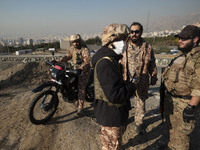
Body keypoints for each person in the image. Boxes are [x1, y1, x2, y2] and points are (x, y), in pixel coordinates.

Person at [92, 24, 136, 150]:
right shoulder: (105, 63)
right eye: (121, 40)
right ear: (110, 42)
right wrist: (132, 86)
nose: (125, 43)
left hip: (114, 113)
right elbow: (114, 95)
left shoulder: (112, 59)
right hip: (111, 116)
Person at [162, 25, 200, 150]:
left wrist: (191, 107)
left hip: (185, 103)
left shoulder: (198, 58)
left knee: (182, 138)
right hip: (171, 101)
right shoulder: (180, 54)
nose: (180, 41)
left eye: (184, 39)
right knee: (172, 131)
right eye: (179, 38)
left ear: (195, 39)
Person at [121, 22, 157, 135]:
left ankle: (139, 123)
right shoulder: (123, 45)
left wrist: (154, 76)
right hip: (126, 79)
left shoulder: (147, 47)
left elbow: (152, 63)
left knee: (140, 102)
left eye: (137, 31)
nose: (134, 34)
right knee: (123, 101)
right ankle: (123, 120)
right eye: (132, 31)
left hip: (142, 80)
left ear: (141, 32)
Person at [59, 34, 91, 116]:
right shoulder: (72, 48)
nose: (75, 43)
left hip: (83, 71)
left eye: (77, 41)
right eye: (74, 42)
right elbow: (68, 56)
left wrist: (81, 68)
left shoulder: (84, 49)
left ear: (80, 41)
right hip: (73, 69)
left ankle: (80, 108)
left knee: (81, 88)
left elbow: (87, 61)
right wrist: (59, 60)